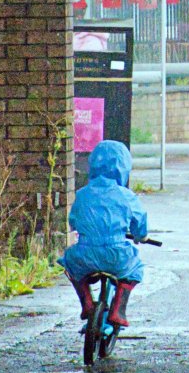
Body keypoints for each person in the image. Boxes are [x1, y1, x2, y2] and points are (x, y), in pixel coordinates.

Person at [59, 140, 148, 327]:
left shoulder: (82, 194)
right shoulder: (125, 195)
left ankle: (87, 304)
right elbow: (139, 220)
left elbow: (74, 220)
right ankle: (118, 310)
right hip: (117, 255)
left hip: (84, 254)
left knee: (69, 264)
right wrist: (140, 235)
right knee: (135, 268)